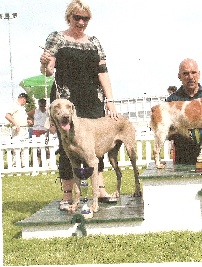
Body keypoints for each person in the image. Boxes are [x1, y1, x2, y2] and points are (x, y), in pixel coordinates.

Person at [39, 0, 119, 211]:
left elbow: (103, 73)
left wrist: (110, 101)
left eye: (85, 18)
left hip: (92, 100)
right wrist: (44, 61)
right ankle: (67, 194)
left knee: (95, 147)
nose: (81, 22)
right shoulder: (56, 38)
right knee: (67, 148)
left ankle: (99, 190)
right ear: (69, 17)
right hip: (65, 102)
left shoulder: (94, 42)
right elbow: (48, 72)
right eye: (77, 17)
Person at [5, 93, 33, 167]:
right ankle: (15, 164)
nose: (25, 103)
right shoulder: (14, 105)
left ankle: (25, 164)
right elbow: (7, 115)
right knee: (17, 147)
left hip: (25, 129)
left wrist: (27, 121)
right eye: (25, 101)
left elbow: (20, 117)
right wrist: (15, 124)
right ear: (22, 99)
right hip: (18, 130)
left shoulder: (22, 108)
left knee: (25, 147)